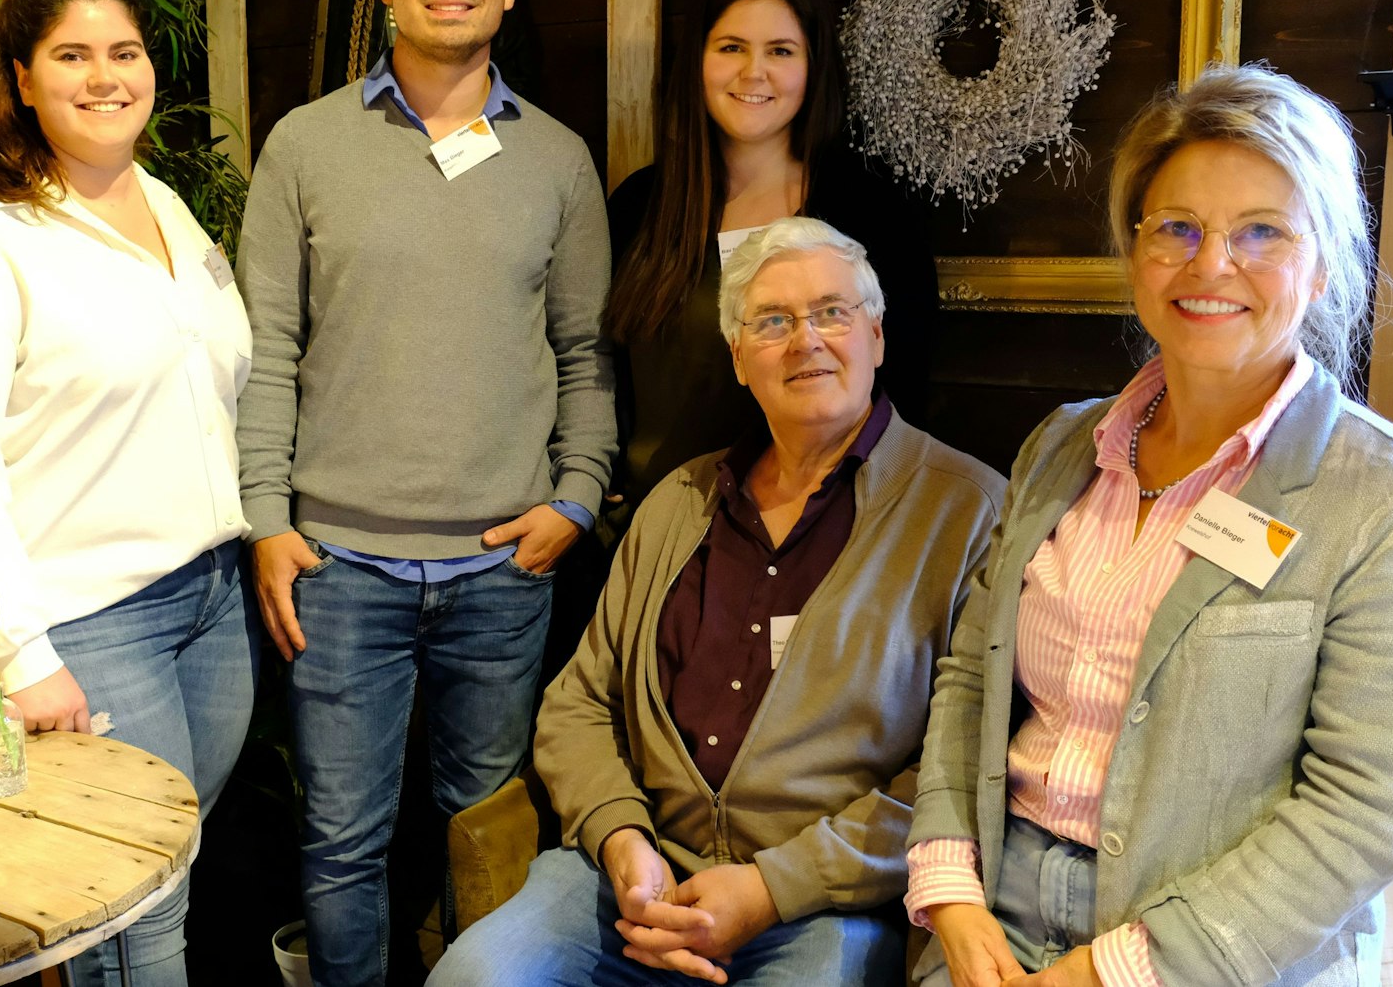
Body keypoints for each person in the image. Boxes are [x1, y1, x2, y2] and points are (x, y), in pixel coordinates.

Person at [904, 63, 1393, 987]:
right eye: (1175, 227)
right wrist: (949, 890)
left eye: (1262, 231)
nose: (1211, 264)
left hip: (1220, 954)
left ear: (1326, 261)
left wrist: (1120, 968)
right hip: (995, 921)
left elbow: (1368, 807)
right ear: (1134, 250)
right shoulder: (1062, 447)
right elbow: (970, 681)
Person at [429, 218, 1004, 987]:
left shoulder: (968, 511)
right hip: (632, 882)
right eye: (772, 321)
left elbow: (960, 772)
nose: (806, 339)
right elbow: (579, 704)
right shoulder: (677, 503)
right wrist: (622, 839)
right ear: (738, 357)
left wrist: (772, 887)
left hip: (823, 907)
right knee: (472, 977)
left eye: (832, 311)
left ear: (877, 334)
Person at [233, 0, 617, 984]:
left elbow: (586, 354)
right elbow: (268, 353)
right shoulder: (304, 146)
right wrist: (266, 519)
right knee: (342, 841)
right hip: (335, 570)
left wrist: (576, 500)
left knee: (483, 828)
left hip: (503, 568)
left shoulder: (555, 159)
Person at [0, 0, 256, 987]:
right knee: (134, 923)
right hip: (88, 624)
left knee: (159, 878)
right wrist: (14, 657)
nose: (105, 77)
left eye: (124, 52)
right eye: (72, 56)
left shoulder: (169, 208)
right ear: (21, 77)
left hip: (208, 598)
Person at [603, 0, 938, 512]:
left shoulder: (872, 212)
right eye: (731, 47)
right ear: (698, 62)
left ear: (813, 66)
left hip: (815, 528)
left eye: (780, 51)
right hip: (651, 526)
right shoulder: (640, 205)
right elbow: (599, 363)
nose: (753, 72)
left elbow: (904, 385)